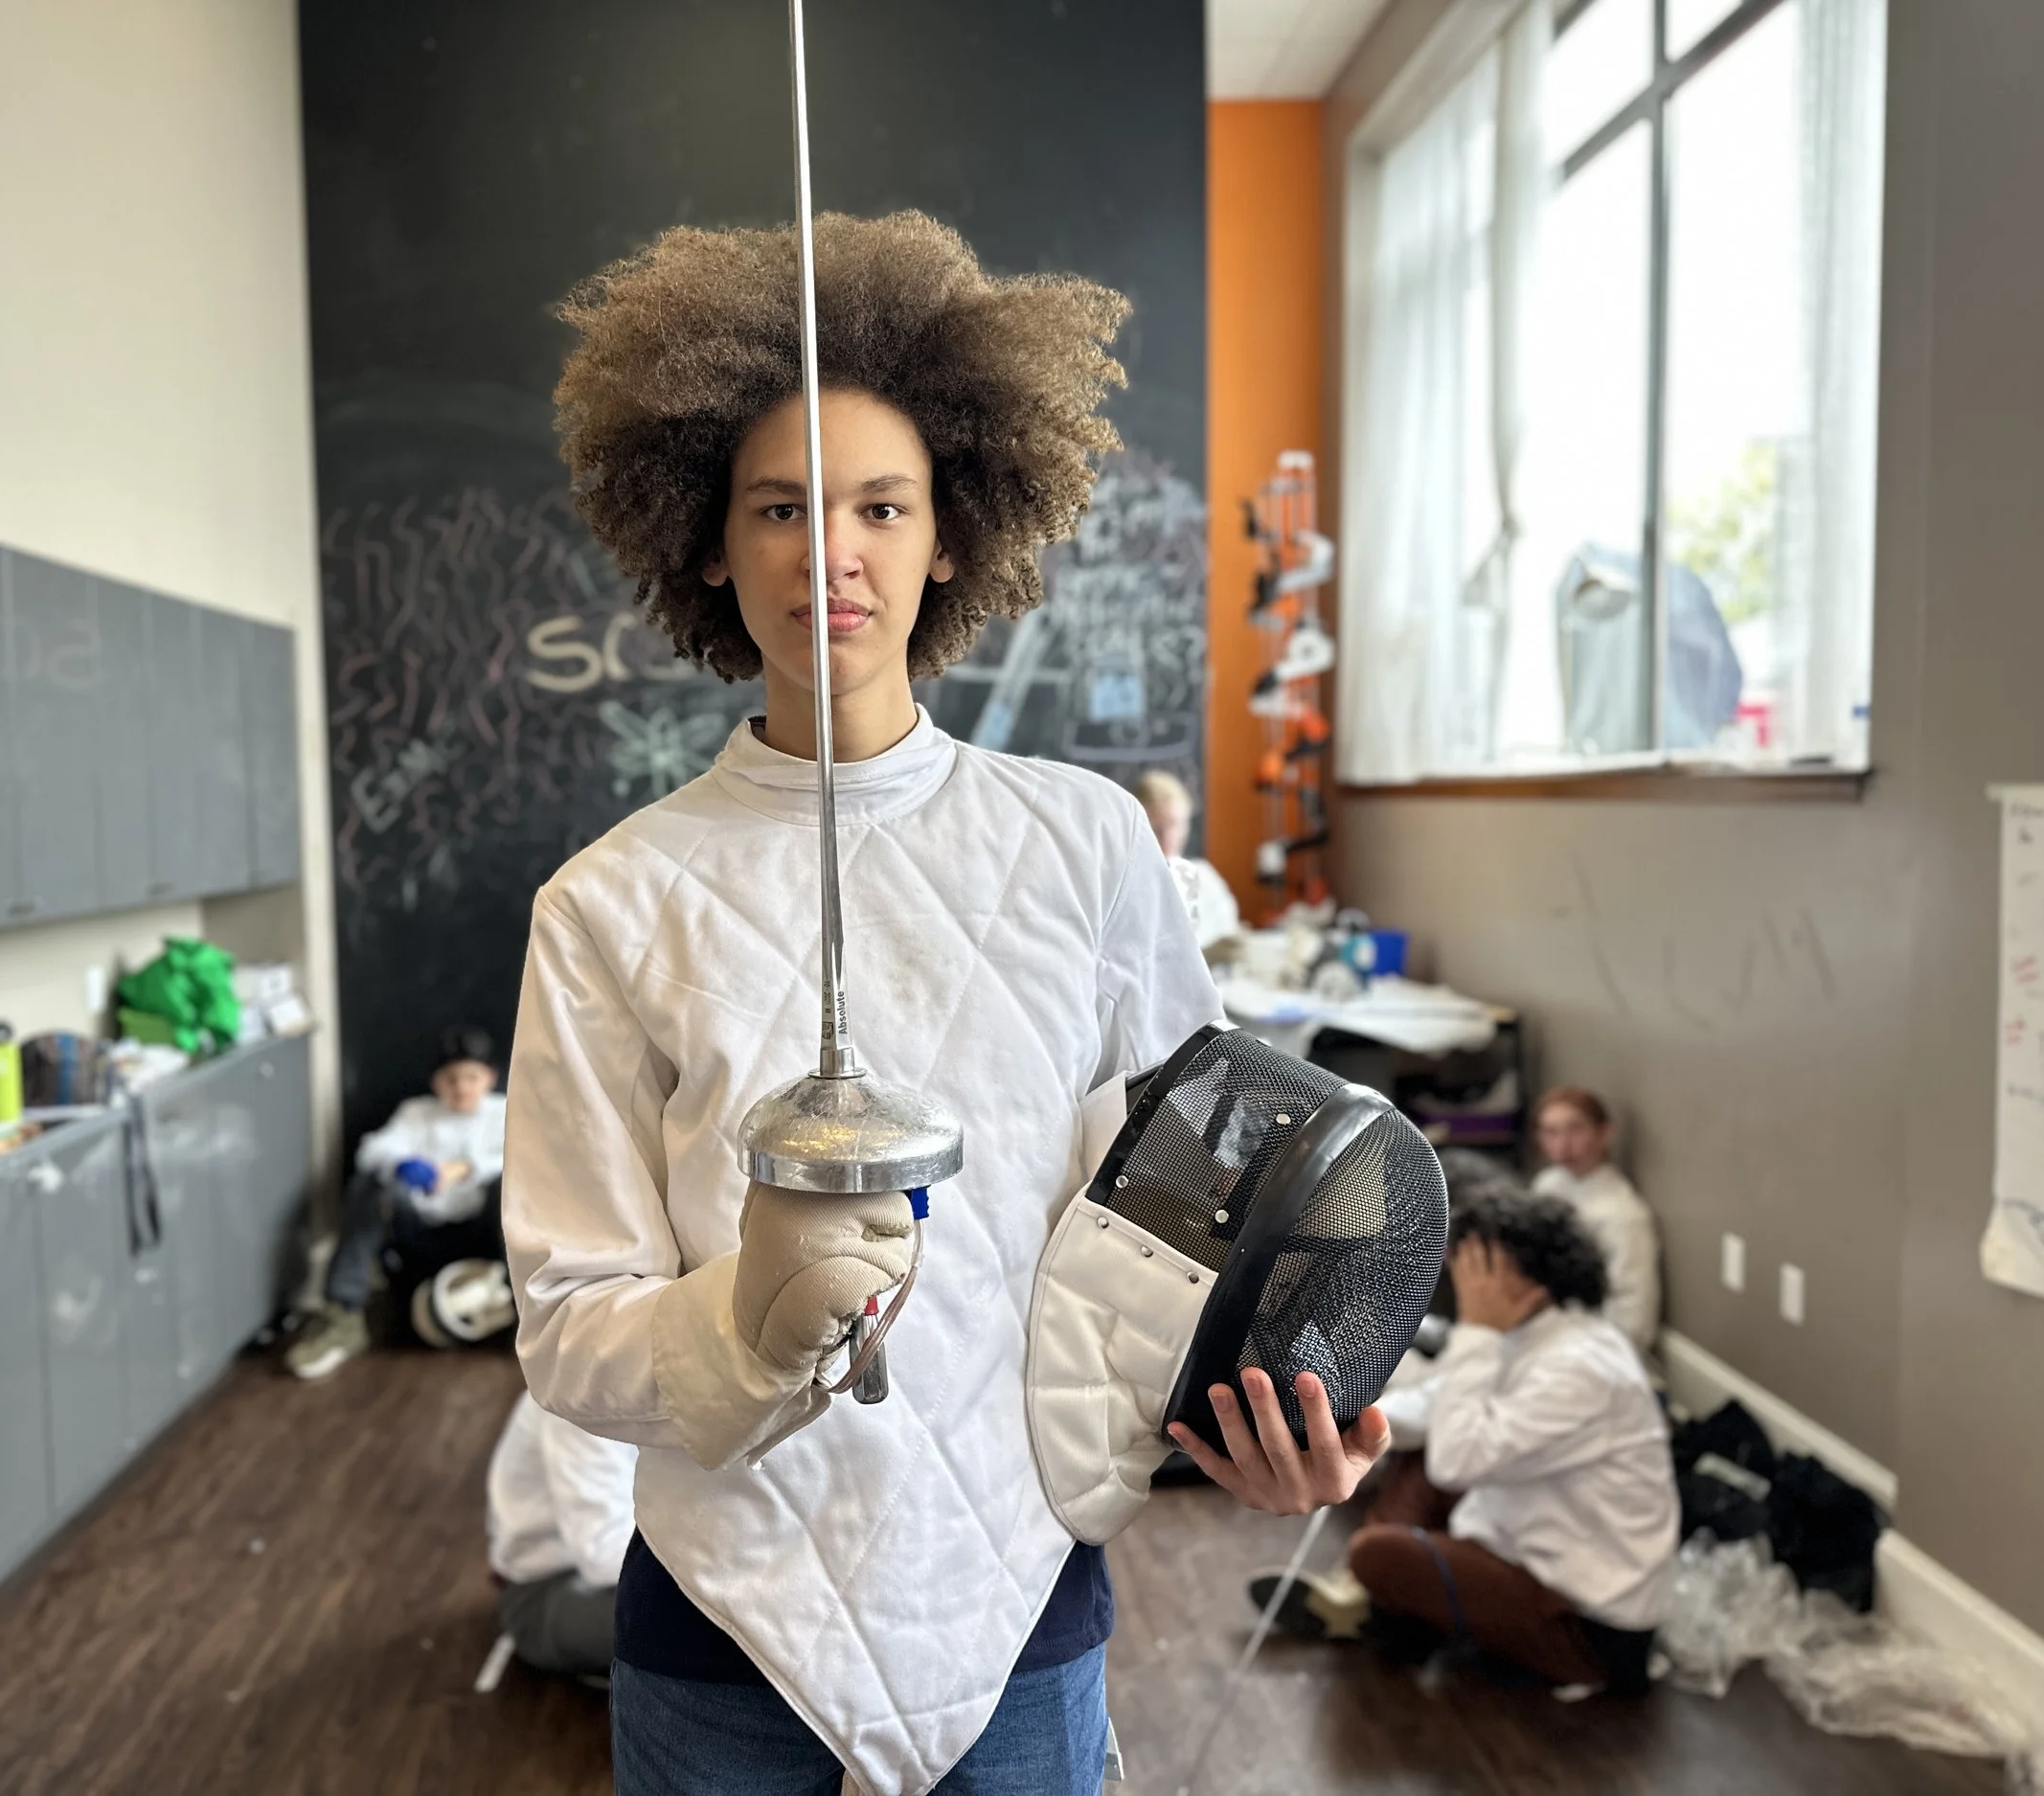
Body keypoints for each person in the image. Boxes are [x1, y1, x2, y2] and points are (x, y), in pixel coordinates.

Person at [510, 211, 1388, 1796]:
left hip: (1021, 1589)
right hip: (724, 1619)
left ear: (953, 533)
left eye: (879, 504)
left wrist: (1275, 1400)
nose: (825, 551)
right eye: (777, 505)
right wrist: (743, 1324)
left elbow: (1194, 1214)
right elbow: (567, 1333)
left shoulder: (1090, 846)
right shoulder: (606, 906)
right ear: (708, 539)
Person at [1271, 1192, 1676, 1698]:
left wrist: (1477, 1331)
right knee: (1418, 1446)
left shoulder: (1581, 1366)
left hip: (1590, 1626)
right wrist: (1338, 1422)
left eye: (1476, 1272)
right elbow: (1434, 1407)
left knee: (1375, 1553)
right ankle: (1384, 1606)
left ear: (1526, 1276)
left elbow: (1456, 1460)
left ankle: (1384, 1604)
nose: (1463, 1286)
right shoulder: (1540, 1338)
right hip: (1533, 1549)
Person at [285, 1026, 513, 1380]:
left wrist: (467, 1169)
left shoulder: (505, 1112)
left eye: (472, 1077)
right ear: (437, 1082)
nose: (462, 1087)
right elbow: (372, 1150)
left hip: (487, 1237)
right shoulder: (417, 1113)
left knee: (515, 1181)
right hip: (421, 1234)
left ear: (489, 1078)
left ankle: (529, 1315)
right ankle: (342, 1314)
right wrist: (405, 1165)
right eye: (452, 1079)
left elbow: (533, 1158)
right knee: (372, 1184)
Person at [486, 1392, 641, 1682]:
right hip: (547, 1592)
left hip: (608, 1571)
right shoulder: (580, 1396)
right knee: (715, 1634)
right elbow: (604, 1555)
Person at [1531, 1084, 1661, 1353]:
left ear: (1604, 1134)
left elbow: (1634, 1321)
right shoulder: (1546, 1186)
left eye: (1575, 1129)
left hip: (1598, 1356)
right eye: (1551, 1132)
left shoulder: (1622, 1215)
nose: (1562, 1145)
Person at [1135, 769, 1244, 958]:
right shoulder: (1125, 883)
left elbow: (1229, 932)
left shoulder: (1204, 877)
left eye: (1174, 824)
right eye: (1156, 827)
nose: (1167, 836)